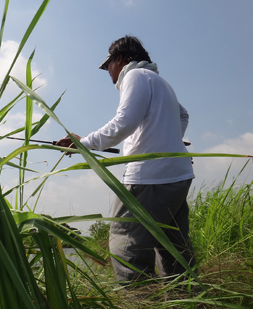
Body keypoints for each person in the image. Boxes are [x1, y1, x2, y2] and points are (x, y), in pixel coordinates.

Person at [56, 35, 195, 283]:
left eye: (107, 65)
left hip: (149, 178)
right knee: (173, 249)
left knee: (127, 246)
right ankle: (184, 298)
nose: (108, 71)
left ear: (119, 59)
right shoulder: (160, 81)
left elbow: (124, 122)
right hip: (177, 177)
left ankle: (138, 299)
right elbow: (183, 115)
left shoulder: (135, 76)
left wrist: (83, 143)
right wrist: (170, 139)